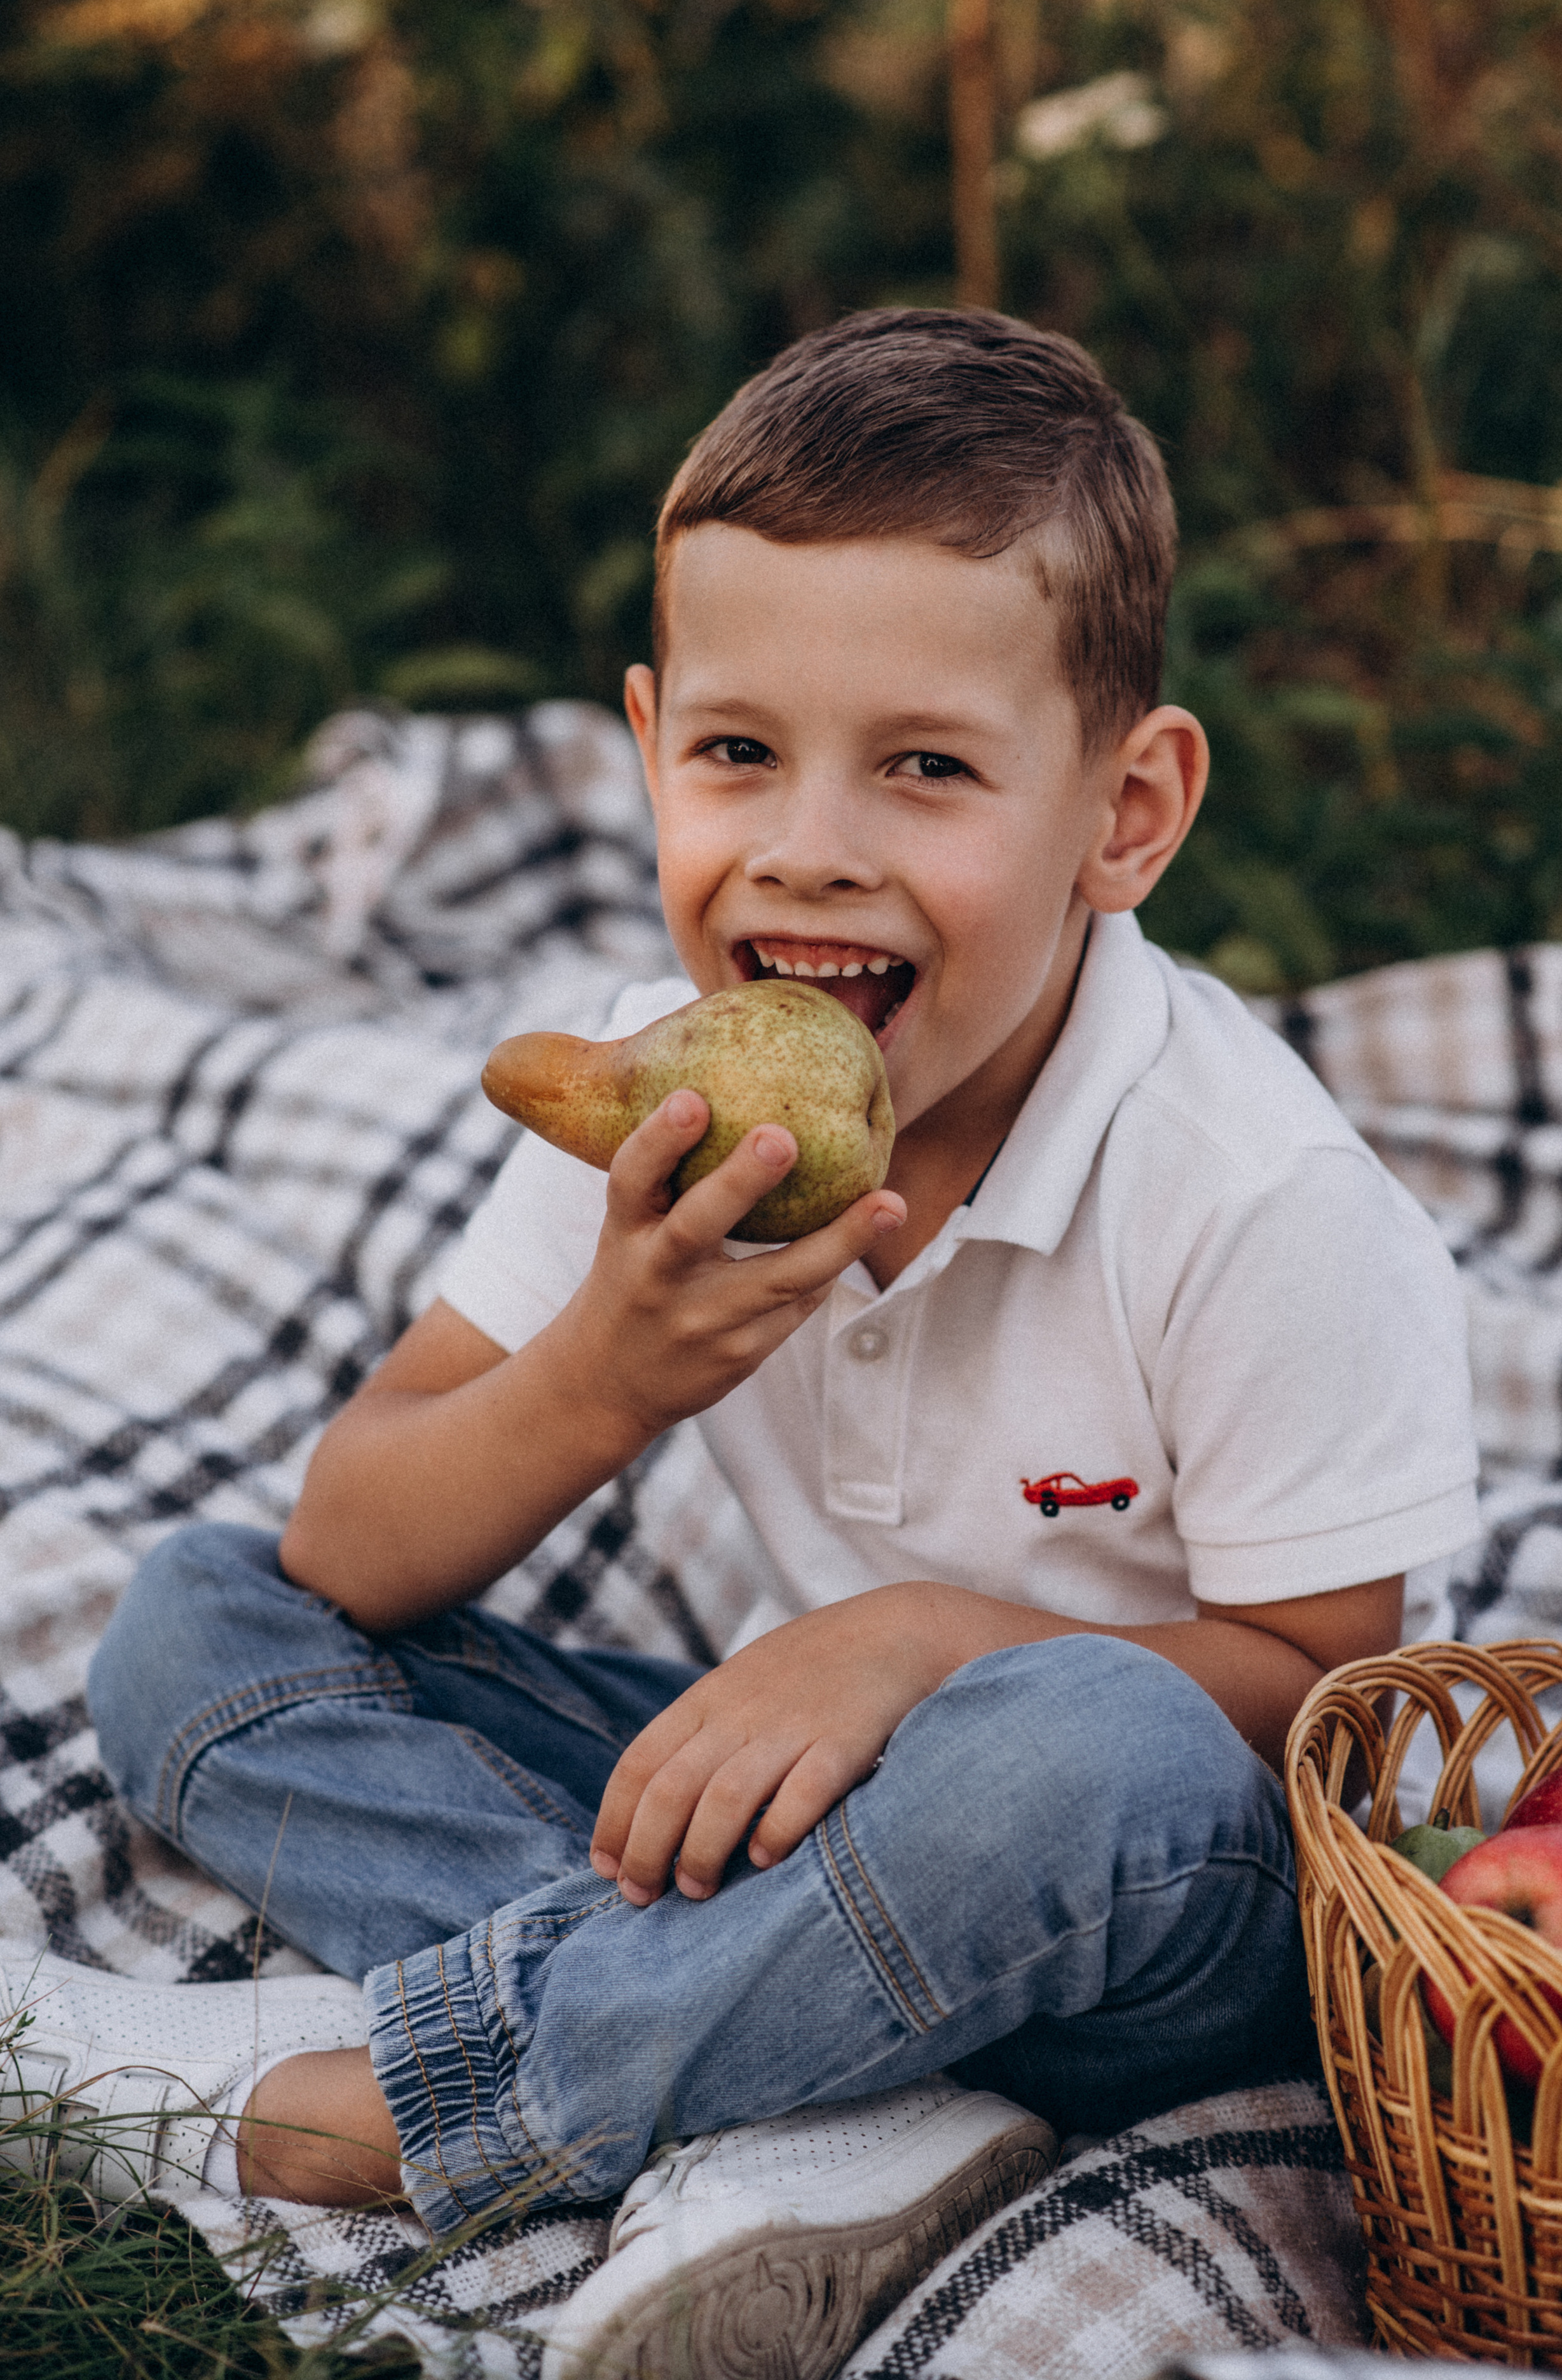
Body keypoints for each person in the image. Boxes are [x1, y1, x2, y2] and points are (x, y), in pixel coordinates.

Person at [5, 308, 1478, 2379]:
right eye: (736, 752)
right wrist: (605, 1367)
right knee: (195, 1625)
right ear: (646, 739)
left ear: (1125, 812)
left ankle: (430, 2106)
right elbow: (351, 1551)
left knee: (1097, 1747)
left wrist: (919, 1642)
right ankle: (810, 2089)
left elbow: (1327, 1701)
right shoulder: (675, 1103)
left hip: (1134, 1903)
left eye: (930, 767)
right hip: (789, 1836)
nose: (805, 845)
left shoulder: (1252, 1198)